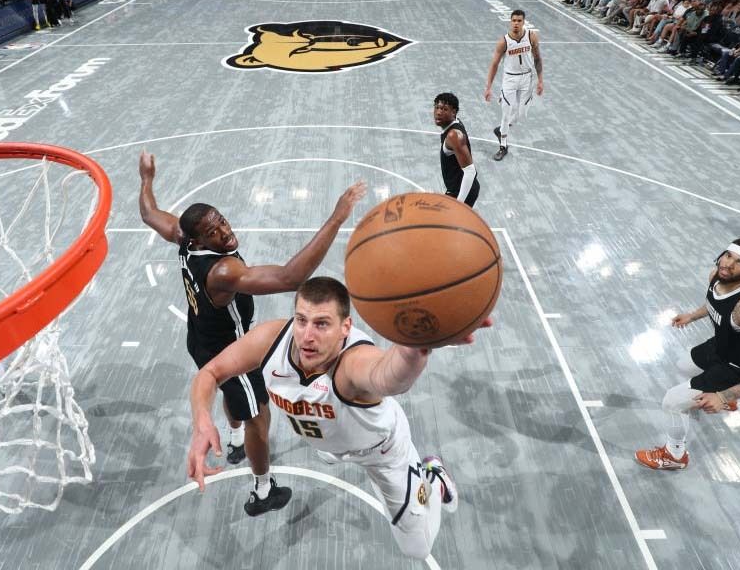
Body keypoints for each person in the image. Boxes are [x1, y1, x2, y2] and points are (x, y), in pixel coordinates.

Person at [189, 277, 489, 557]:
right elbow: (211, 372)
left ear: (346, 327)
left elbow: (390, 377)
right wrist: (202, 418)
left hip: (381, 453)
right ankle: (335, 447)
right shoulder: (272, 339)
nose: (307, 336)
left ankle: (433, 478)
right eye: (301, 320)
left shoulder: (352, 365)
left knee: (417, 548)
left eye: (322, 324)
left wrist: (415, 348)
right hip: (329, 441)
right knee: (327, 440)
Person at [138, 150, 366, 468]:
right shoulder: (223, 271)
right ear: (199, 241)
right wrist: (338, 216)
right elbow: (291, 277)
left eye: (222, 221)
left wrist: (146, 177)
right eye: (213, 232)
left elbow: (149, 213)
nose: (224, 232)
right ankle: (262, 490)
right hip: (231, 348)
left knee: (233, 394)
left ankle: (234, 437)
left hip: (200, 339)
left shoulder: (184, 238)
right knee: (259, 421)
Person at [636, 239, 740, 470]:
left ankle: (674, 456)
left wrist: (723, 396)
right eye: (727, 256)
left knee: (672, 402)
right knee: (684, 366)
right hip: (722, 347)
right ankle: (724, 394)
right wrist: (691, 316)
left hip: (739, 366)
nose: (728, 264)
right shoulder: (717, 275)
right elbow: (714, 302)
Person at [484, 9, 544, 161]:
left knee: (522, 114)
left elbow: (537, 59)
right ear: (510, 22)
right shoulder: (504, 41)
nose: (516, 23)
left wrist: (540, 80)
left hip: (527, 79)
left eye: (519, 21)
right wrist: (489, 87)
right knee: (506, 113)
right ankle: (503, 146)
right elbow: (494, 64)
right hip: (510, 79)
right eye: (514, 21)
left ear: (523, 22)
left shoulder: (531, 37)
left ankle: (501, 130)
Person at [433, 93, 480, 208]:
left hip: (461, 192)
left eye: (444, 109)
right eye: (437, 107)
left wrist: (458, 205)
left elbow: (470, 171)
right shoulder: (454, 125)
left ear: (453, 112)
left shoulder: (453, 135)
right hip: (459, 189)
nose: (438, 112)